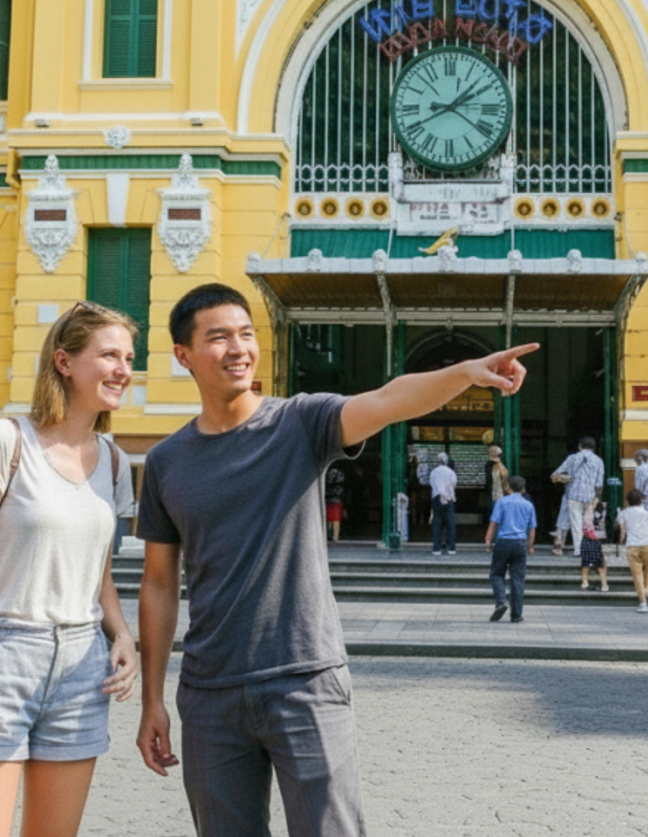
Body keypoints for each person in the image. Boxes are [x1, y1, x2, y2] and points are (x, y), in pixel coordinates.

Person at [134, 283, 537, 837]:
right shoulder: (165, 462)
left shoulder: (301, 423)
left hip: (305, 681)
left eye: (246, 335)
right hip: (209, 695)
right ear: (184, 355)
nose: (238, 348)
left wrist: (464, 372)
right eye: (219, 337)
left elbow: (389, 399)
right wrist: (151, 699)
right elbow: (158, 584)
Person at [0, 301, 140, 837]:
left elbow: (98, 575)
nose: (124, 369)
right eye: (109, 355)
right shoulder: (6, 441)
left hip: (81, 667)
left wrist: (121, 634)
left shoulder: (114, 461)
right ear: (65, 362)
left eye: (129, 357)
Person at [484, 475, 536, 623]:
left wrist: (488, 539)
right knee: (517, 579)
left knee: (496, 573)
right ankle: (516, 614)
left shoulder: (502, 502)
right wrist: (530, 546)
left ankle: (501, 602)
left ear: (508, 488)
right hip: (520, 542)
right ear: (523, 489)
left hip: (503, 542)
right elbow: (532, 528)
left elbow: (494, 523)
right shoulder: (528, 505)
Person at [550, 437, 604, 556]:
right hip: (590, 496)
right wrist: (597, 498)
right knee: (588, 523)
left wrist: (566, 478)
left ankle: (578, 549)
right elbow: (599, 483)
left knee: (576, 523)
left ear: (580, 446)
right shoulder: (599, 461)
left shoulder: (572, 458)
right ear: (594, 448)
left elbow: (555, 475)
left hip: (573, 495)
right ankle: (589, 548)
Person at [620, 487, 648, 613]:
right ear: (641, 500)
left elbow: (622, 532)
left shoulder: (624, 513)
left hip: (632, 546)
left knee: (637, 575)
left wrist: (620, 542)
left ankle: (643, 603)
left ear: (628, 500)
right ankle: (646, 590)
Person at [428, 452, 458, 556]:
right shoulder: (451, 472)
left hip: (436, 499)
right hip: (449, 499)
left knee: (437, 524)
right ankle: (451, 547)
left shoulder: (433, 472)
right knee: (451, 524)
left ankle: (436, 548)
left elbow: (432, 484)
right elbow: (453, 484)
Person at [580, 499, 609, 592]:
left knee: (585, 563)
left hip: (585, 540)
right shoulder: (593, 514)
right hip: (594, 540)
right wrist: (604, 509)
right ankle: (604, 584)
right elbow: (601, 521)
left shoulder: (583, 514)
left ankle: (584, 581)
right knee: (601, 564)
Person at [324, 464, 345, 544]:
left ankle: (332, 535)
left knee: (330, 519)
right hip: (336, 501)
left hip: (330, 501)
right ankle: (335, 536)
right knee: (335, 519)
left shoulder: (328, 483)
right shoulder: (340, 486)